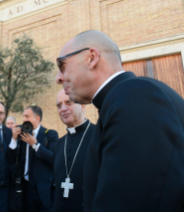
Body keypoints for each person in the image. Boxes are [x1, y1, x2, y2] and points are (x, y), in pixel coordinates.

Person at [56, 30, 184, 212]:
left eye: (62, 66)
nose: (58, 78)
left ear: (91, 58)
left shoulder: (136, 95)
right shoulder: (122, 100)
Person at [9, 106, 58, 212]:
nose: (23, 119)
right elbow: (11, 159)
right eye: (23, 116)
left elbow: (54, 159)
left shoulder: (50, 134)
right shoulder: (22, 135)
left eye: (27, 116)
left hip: (44, 190)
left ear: (37, 118)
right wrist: (13, 139)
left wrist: (35, 145)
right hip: (26, 189)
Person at [53, 89, 95, 212]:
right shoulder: (59, 144)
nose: (63, 109)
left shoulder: (99, 136)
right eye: (59, 105)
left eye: (68, 102)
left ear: (82, 105)